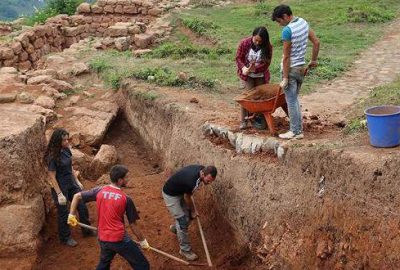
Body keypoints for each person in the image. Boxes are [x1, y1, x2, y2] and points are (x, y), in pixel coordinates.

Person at [68, 165, 150, 270]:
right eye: (126, 177)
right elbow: (133, 225)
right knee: (143, 265)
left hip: (102, 237)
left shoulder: (99, 191)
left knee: (104, 264)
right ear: (120, 180)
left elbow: (76, 196)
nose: (128, 180)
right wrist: (143, 241)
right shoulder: (126, 199)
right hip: (119, 239)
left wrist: (71, 215)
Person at [272, 4, 320, 139]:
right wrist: (313, 61)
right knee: (294, 100)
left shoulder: (288, 30)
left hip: (290, 70)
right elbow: (316, 42)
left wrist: (285, 77)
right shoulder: (303, 23)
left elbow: (286, 57)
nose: (279, 24)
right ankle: (298, 130)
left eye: (279, 21)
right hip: (301, 69)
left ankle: (295, 131)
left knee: (291, 101)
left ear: (286, 16)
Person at [45, 128, 93, 247]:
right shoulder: (52, 156)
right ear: (57, 141)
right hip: (60, 186)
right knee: (63, 212)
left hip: (71, 183)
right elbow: (52, 176)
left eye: (67, 139)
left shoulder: (66, 150)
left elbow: (70, 167)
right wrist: (59, 194)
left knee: (81, 205)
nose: (67, 142)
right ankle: (65, 238)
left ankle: (87, 231)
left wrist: (77, 181)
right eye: (64, 140)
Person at [162, 165, 217, 261]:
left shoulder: (202, 169)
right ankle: (185, 250)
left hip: (179, 191)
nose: (209, 183)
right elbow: (188, 197)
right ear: (203, 174)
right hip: (170, 195)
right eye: (208, 180)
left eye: (211, 181)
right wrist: (193, 211)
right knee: (183, 221)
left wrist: (191, 213)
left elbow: (188, 193)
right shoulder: (190, 182)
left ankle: (176, 229)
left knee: (188, 217)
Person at [236, 26, 273, 130]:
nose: (257, 43)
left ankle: (258, 117)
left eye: (260, 41)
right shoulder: (244, 43)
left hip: (260, 74)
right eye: (255, 40)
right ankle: (244, 120)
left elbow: (266, 63)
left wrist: (254, 69)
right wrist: (243, 68)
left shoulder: (268, 46)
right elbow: (238, 57)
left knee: (260, 96)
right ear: (252, 36)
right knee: (247, 96)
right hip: (246, 75)